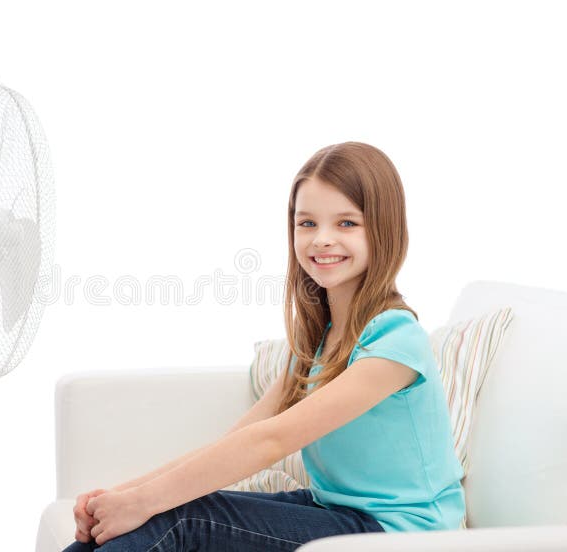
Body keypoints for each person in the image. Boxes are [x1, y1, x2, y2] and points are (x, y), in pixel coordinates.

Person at [62, 141, 466, 551]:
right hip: (336, 513)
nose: (322, 239)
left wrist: (142, 501)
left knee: (180, 518)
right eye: (307, 223)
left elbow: (270, 441)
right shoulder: (319, 340)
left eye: (346, 224)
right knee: (154, 516)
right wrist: (117, 498)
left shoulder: (395, 341)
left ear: (384, 229)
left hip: (401, 536)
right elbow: (242, 435)